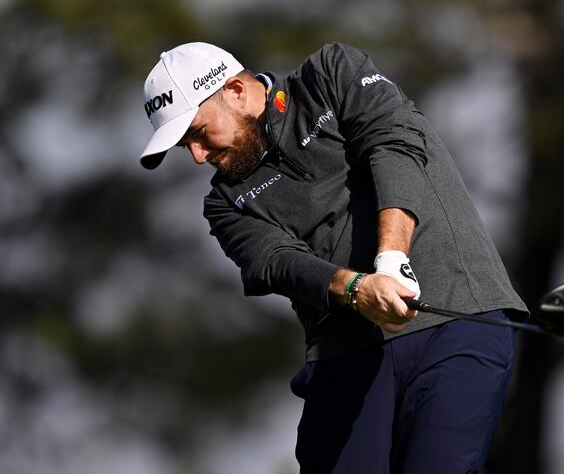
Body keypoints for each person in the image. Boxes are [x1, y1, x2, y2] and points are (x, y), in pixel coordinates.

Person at [139, 41, 529, 473]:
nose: (198, 157)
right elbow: (276, 261)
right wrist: (358, 288)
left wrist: (392, 259)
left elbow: (393, 144)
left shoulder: (330, 75)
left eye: (198, 133)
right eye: (186, 146)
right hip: (344, 355)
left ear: (235, 91)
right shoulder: (224, 203)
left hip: (457, 317)